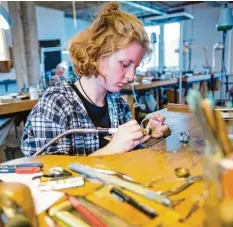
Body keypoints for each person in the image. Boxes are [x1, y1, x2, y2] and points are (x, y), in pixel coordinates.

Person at [21, 2, 169, 157]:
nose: (131, 76)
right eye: (124, 64)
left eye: (135, 67)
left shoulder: (118, 105)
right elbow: (47, 176)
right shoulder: (55, 104)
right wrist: (112, 148)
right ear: (97, 54)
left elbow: (128, 154)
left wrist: (147, 132)